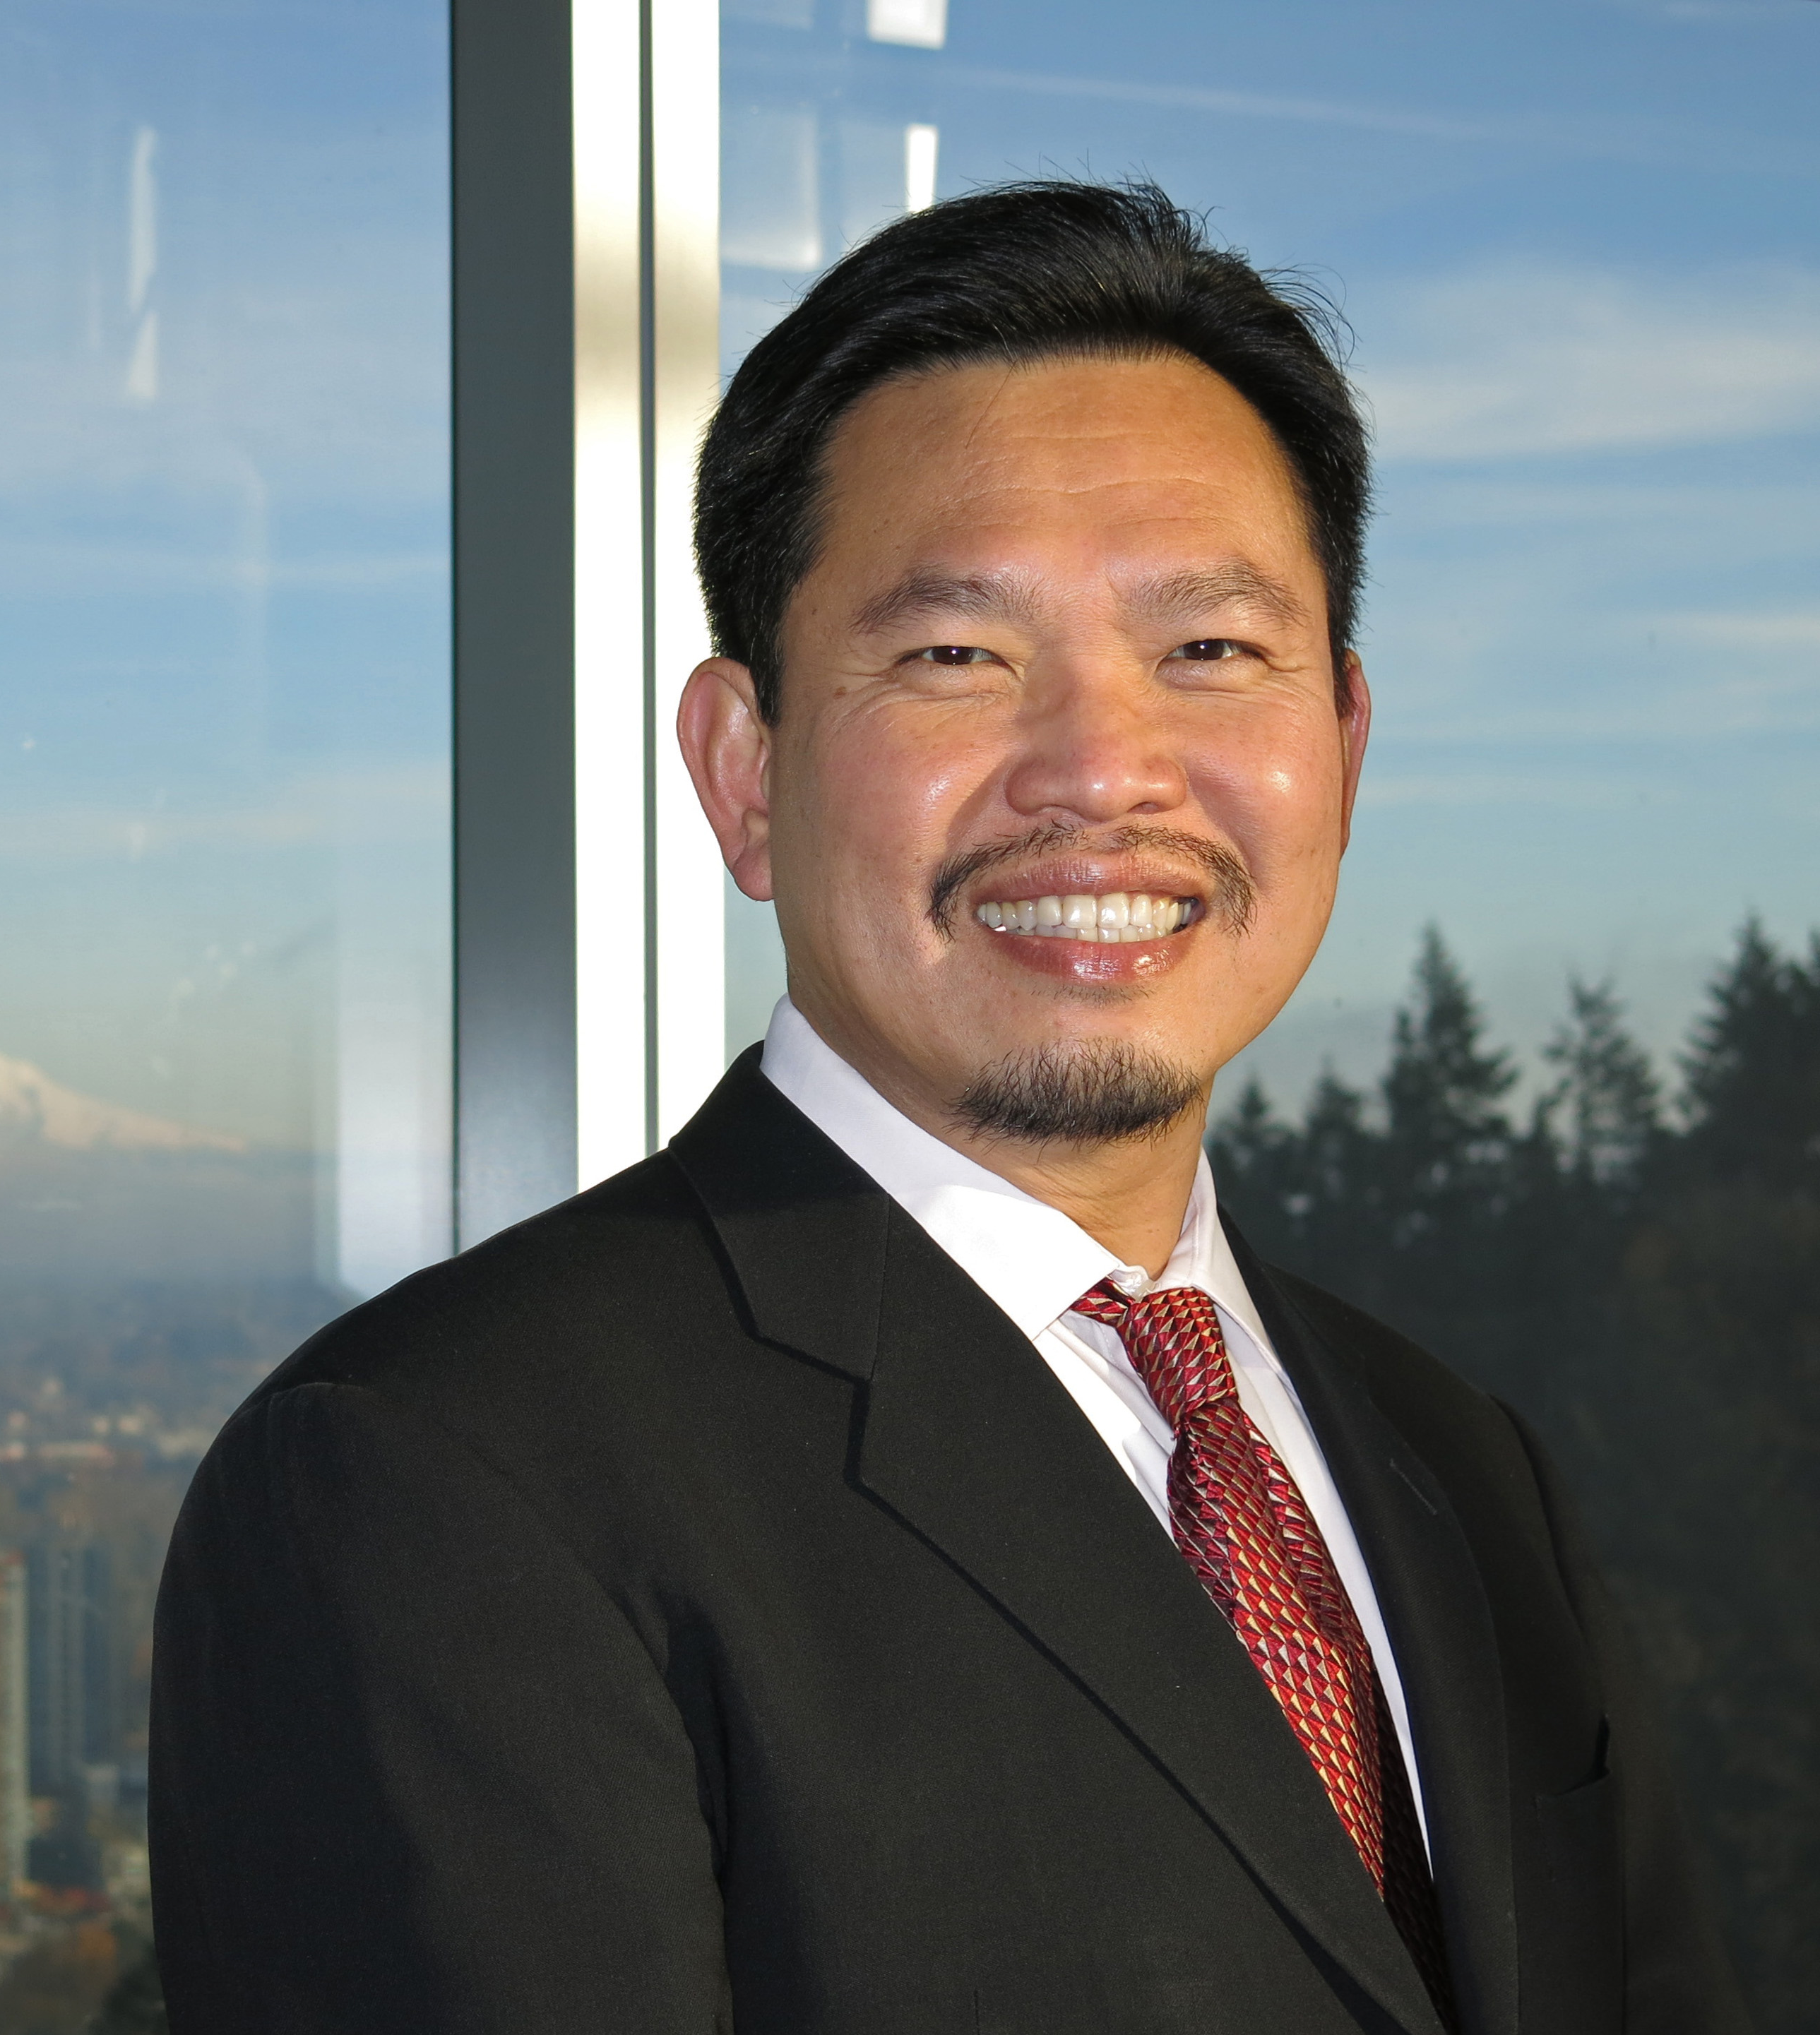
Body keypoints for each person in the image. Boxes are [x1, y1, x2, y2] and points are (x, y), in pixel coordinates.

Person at [148, 181, 1745, 2034]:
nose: (1099, 772)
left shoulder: (1457, 1464)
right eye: (954, 657)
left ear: (1342, 741)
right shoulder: (437, 1487)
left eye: (1209, 652)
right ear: (742, 775)